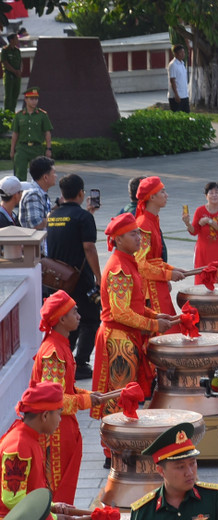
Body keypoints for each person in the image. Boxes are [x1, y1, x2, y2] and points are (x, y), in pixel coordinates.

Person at [32, 291, 120, 503]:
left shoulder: (61, 344)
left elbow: (67, 388)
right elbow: (56, 401)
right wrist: (88, 400)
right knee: (56, 493)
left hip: (62, 428)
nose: (79, 315)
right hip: (55, 433)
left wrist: (90, 394)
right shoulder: (53, 352)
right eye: (74, 312)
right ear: (62, 319)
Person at [92, 214, 179, 419]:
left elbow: (135, 304)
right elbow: (120, 312)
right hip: (118, 340)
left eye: (138, 232)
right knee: (119, 399)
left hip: (126, 337)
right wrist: (153, 323)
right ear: (118, 239)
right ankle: (113, 449)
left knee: (125, 396)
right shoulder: (120, 269)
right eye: (133, 234)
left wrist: (156, 315)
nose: (139, 237)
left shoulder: (129, 262)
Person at [44, 175, 101, 378]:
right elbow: (89, 248)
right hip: (80, 279)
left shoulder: (53, 215)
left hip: (57, 279)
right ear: (81, 193)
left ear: (62, 194)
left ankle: (65, 357)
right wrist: (99, 277)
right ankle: (81, 363)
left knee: (67, 317)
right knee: (92, 318)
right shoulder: (84, 218)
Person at [130, 420, 218, 520]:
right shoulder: (144, 511)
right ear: (161, 471)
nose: (189, 472)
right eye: (180, 467)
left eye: (192, 463)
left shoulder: (213, 498)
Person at [0, 383, 67, 516]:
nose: (60, 420)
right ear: (45, 416)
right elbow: (13, 499)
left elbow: (30, 490)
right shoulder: (19, 446)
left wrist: (52, 506)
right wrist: (51, 517)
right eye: (59, 414)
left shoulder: (29, 437)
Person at [133, 176, 190, 327]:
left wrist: (172, 269)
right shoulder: (144, 224)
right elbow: (141, 265)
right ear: (152, 197)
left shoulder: (153, 219)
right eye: (162, 192)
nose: (167, 195)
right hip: (148, 290)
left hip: (156, 284)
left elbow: (154, 259)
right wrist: (169, 275)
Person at [184, 182, 218, 285]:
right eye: (211, 193)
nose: (214, 195)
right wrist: (187, 223)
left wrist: (208, 220)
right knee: (202, 276)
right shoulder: (200, 210)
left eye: (217, 192)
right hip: (203, 251)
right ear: (206, 196)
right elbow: (194, 231)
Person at [9, 87, 51, 178]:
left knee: (39, 175)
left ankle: (38, 192)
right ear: (26, 100)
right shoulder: (19, 115)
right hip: (22, 148)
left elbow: (47, 132)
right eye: (31, 99)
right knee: (19, 174)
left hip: (36, 148)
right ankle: (20, 192)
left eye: (36, 99)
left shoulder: (42, 115)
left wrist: (48, 148)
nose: (34, 101)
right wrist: (12, 150)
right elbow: (15, 134)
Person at [0, 34, 20, 114]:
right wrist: (14, 71)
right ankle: (8, 113)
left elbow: (20, 62)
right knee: (9, 96)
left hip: (17, 76)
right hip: (9, 75)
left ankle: (13, 111)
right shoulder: (5, 50)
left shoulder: (17, 50)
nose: (17, 40)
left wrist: (19, 71)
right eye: (16, 38)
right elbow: (5, 63)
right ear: (11, 40)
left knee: (15, 94)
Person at [168, 43, 190, 111]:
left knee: (187, 117)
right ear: (175, 54)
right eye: (181, 52)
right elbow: (172, 80)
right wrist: (176, 95)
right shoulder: (173, 65)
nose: (183, 54)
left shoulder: (182, 64)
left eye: (183, 52)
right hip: (176, 97)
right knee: (177, 117)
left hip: (184, 95)